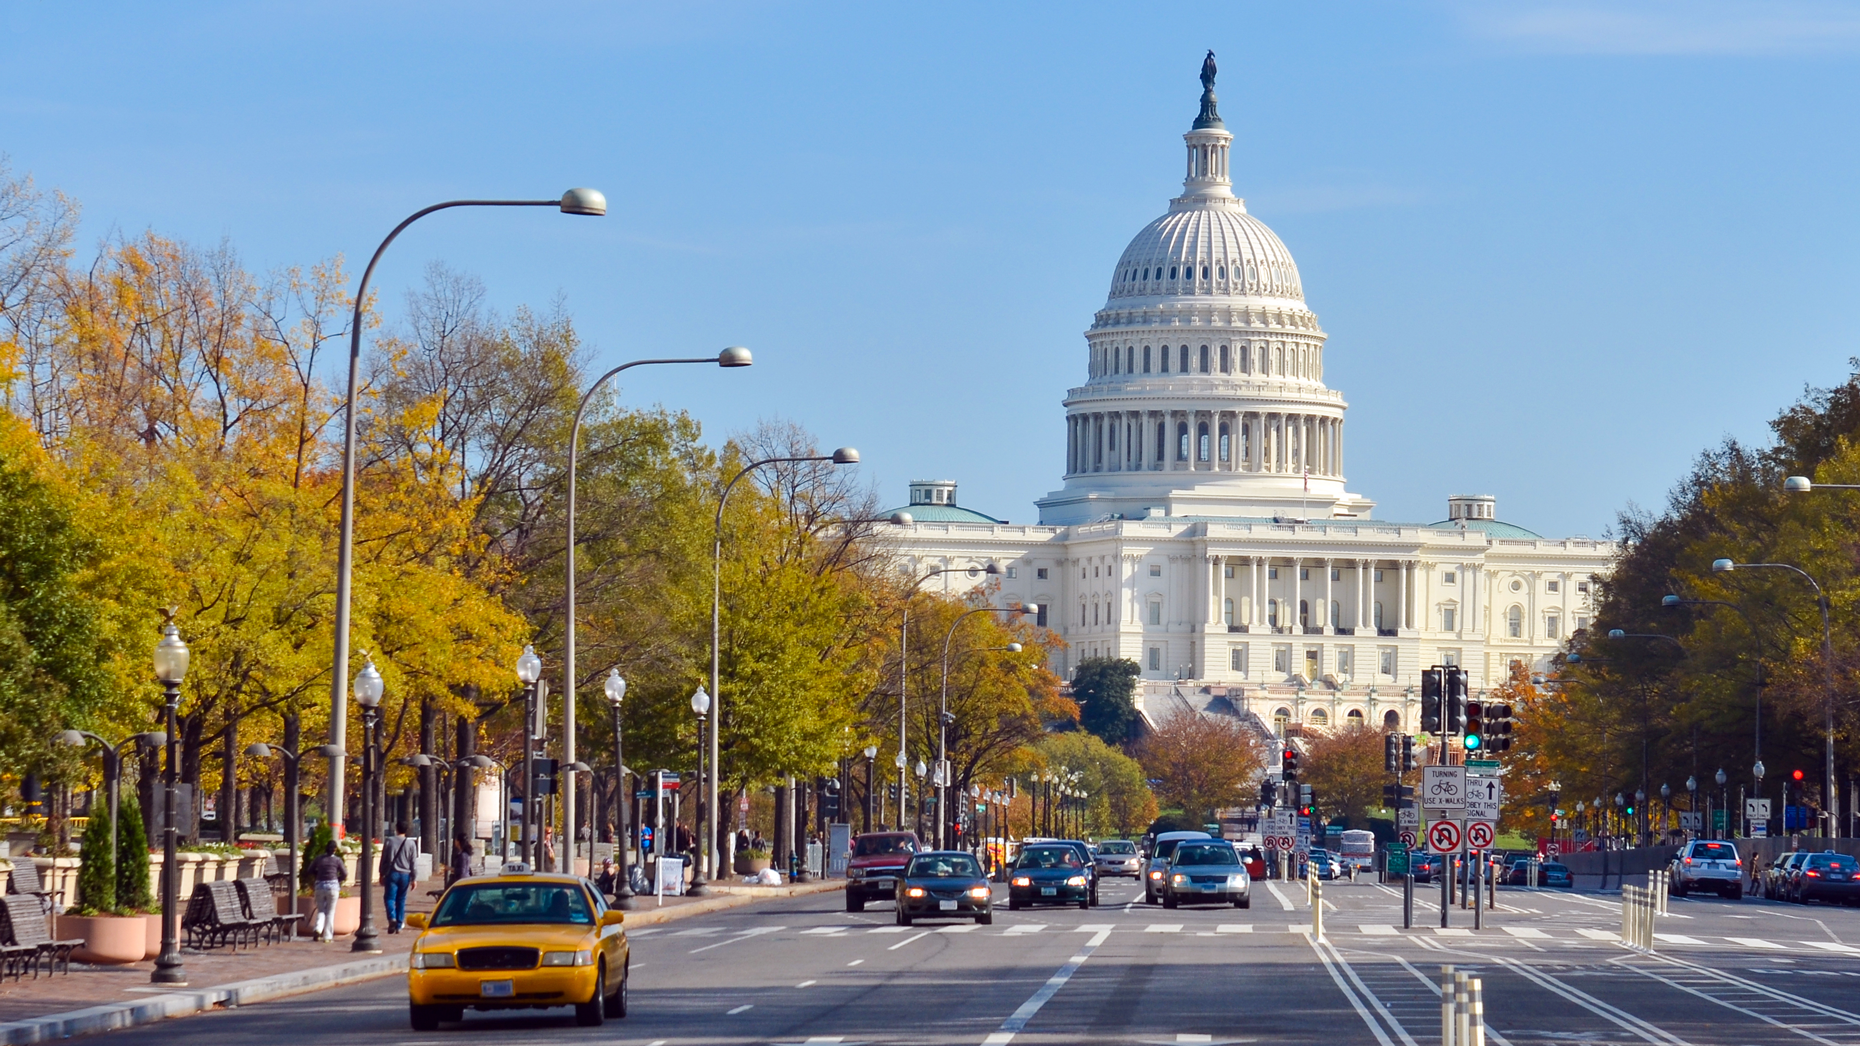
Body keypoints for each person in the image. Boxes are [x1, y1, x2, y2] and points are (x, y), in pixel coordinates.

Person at [380, 820, 419, 933]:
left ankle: (392, 917)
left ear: (396, 829)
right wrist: (414, 878)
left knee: (389, 898)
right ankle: (399, 924)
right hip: (405, 874)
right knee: (401, 900)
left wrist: (381, 873)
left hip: (392, 873)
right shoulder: (411, 844)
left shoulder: (389, 841)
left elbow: (384, 859)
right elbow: (413, 862)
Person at [310, 841, 346, 942]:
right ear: (335, 849)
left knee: (321, 910)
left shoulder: (319, 859)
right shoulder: (337, 860)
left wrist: (317, 875)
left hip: (320, 886)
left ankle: (317, 928)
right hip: (333, 887)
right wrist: (338, 879)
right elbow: (345, 873)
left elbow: (310, 870)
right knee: (330, 912)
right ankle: (327, 936)